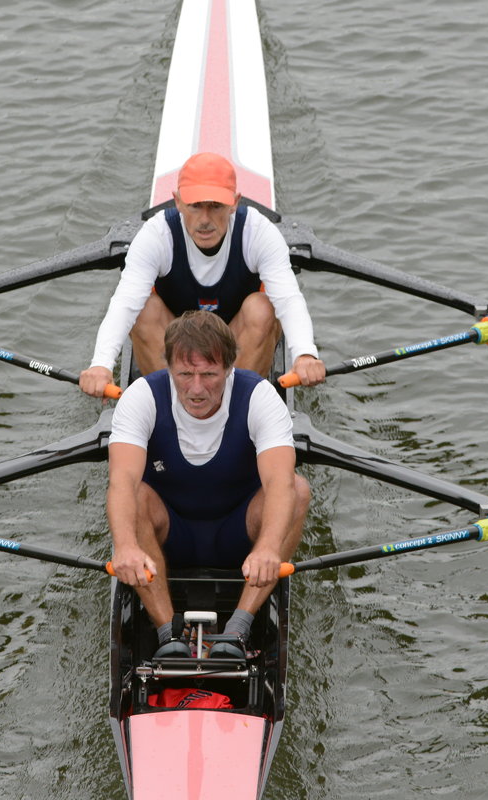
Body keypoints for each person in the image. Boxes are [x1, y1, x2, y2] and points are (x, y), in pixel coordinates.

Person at [106, 310, 309, 659]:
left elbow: (278, 483)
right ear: (168, 367)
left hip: (240, 534)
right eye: (185, 374)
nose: (196, 388)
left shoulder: (259, 396)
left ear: (229, 368)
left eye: (209, 375)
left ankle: (239, 628)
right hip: (169, 536)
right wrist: (124, 546)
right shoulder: (141, 397)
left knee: (298, 488)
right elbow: (121, 482)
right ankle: (168, 633)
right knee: (135, 494)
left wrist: (269, 547)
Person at [79, 151, 327, 396]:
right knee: (143, 307)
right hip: (174, 347)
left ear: (235, 202)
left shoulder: (258, 232)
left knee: (262, 307)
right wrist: (101, 365)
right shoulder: (156, 235)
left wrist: (305, 354)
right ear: (177, 201)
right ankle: (173, 407)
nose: (205, 220)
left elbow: (288, 299)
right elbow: (125, 303)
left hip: (235, 344)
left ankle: (236, 406)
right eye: (195, 206)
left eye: (216, 206)